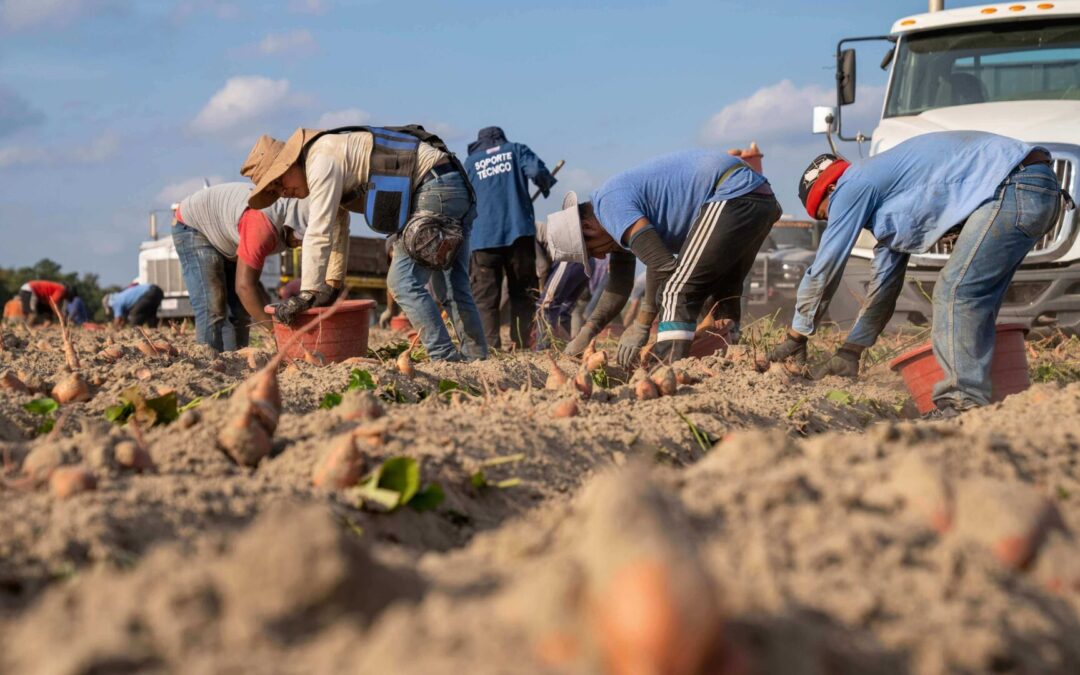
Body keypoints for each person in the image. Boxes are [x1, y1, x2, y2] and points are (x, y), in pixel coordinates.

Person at [766, 130, 1069, 418]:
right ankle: (993, 396)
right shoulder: (890, 199)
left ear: (830, 189)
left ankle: (961, 403)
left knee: (954, 291)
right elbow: (884, 287)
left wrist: (796, 335)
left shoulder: (852, 184)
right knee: (976, 299)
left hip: (1014, 187)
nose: (836, 222)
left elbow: (825, 268)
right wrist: (851, 351)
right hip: (1035, 190)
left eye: (827, 215)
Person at [241, 125, 487, 362]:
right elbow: (338, 227)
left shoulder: (320, 159)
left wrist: (306, 293)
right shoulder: (331, 159)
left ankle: (444, 358)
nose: (283, 192)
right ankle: (477, 359)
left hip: (434, 188)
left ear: (291, 161)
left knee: (401, 281)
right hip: (452, 185)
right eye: (275, 192)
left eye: (279, 182)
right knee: (451, 286)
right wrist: (331, 286)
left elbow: (319, 231)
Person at [545, 147, 780, 365]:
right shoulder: (612, 218)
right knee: (721, 293)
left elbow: (662, 265)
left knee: (676, 291)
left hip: (732, 193)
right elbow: (619, 284)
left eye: (592, 251)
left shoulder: (609, 206)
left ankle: (670, 367)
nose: (600, 255)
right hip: (758, 196)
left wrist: (641, 324)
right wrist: (587, 332)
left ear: (587, 227)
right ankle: (728, 360)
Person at [173, 182, 313, 352]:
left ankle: (236, 361)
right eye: (299, 238)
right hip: (194, 227)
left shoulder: (288, 224)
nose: (299, 244)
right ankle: (207, 362)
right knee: (212, 305)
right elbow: (244, 287)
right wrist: (277, 330)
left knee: (240, 311)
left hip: (227, 235)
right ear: (291, 225)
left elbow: (252, 284)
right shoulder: (263, 224)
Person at [465, 126, 557, 349]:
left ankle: (490, 348)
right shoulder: (516, 150)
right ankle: (522, 344)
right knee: (522, 293)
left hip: (483, 239)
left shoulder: (470, 163)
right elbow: (536, 172)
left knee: (485, 298)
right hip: (518, 234)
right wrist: (545, 184)